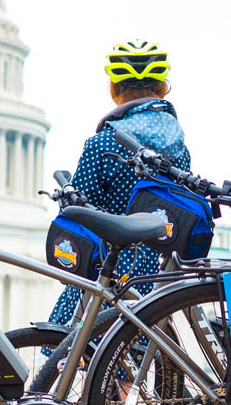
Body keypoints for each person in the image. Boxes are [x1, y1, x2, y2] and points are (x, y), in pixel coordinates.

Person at [48, 42, 189, 326]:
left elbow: (79, 214)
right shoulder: (179, 149)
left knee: (64, 353)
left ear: (114, 90)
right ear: (162, 89)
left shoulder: (102, 144)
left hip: (105, 274)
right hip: (155, 282)